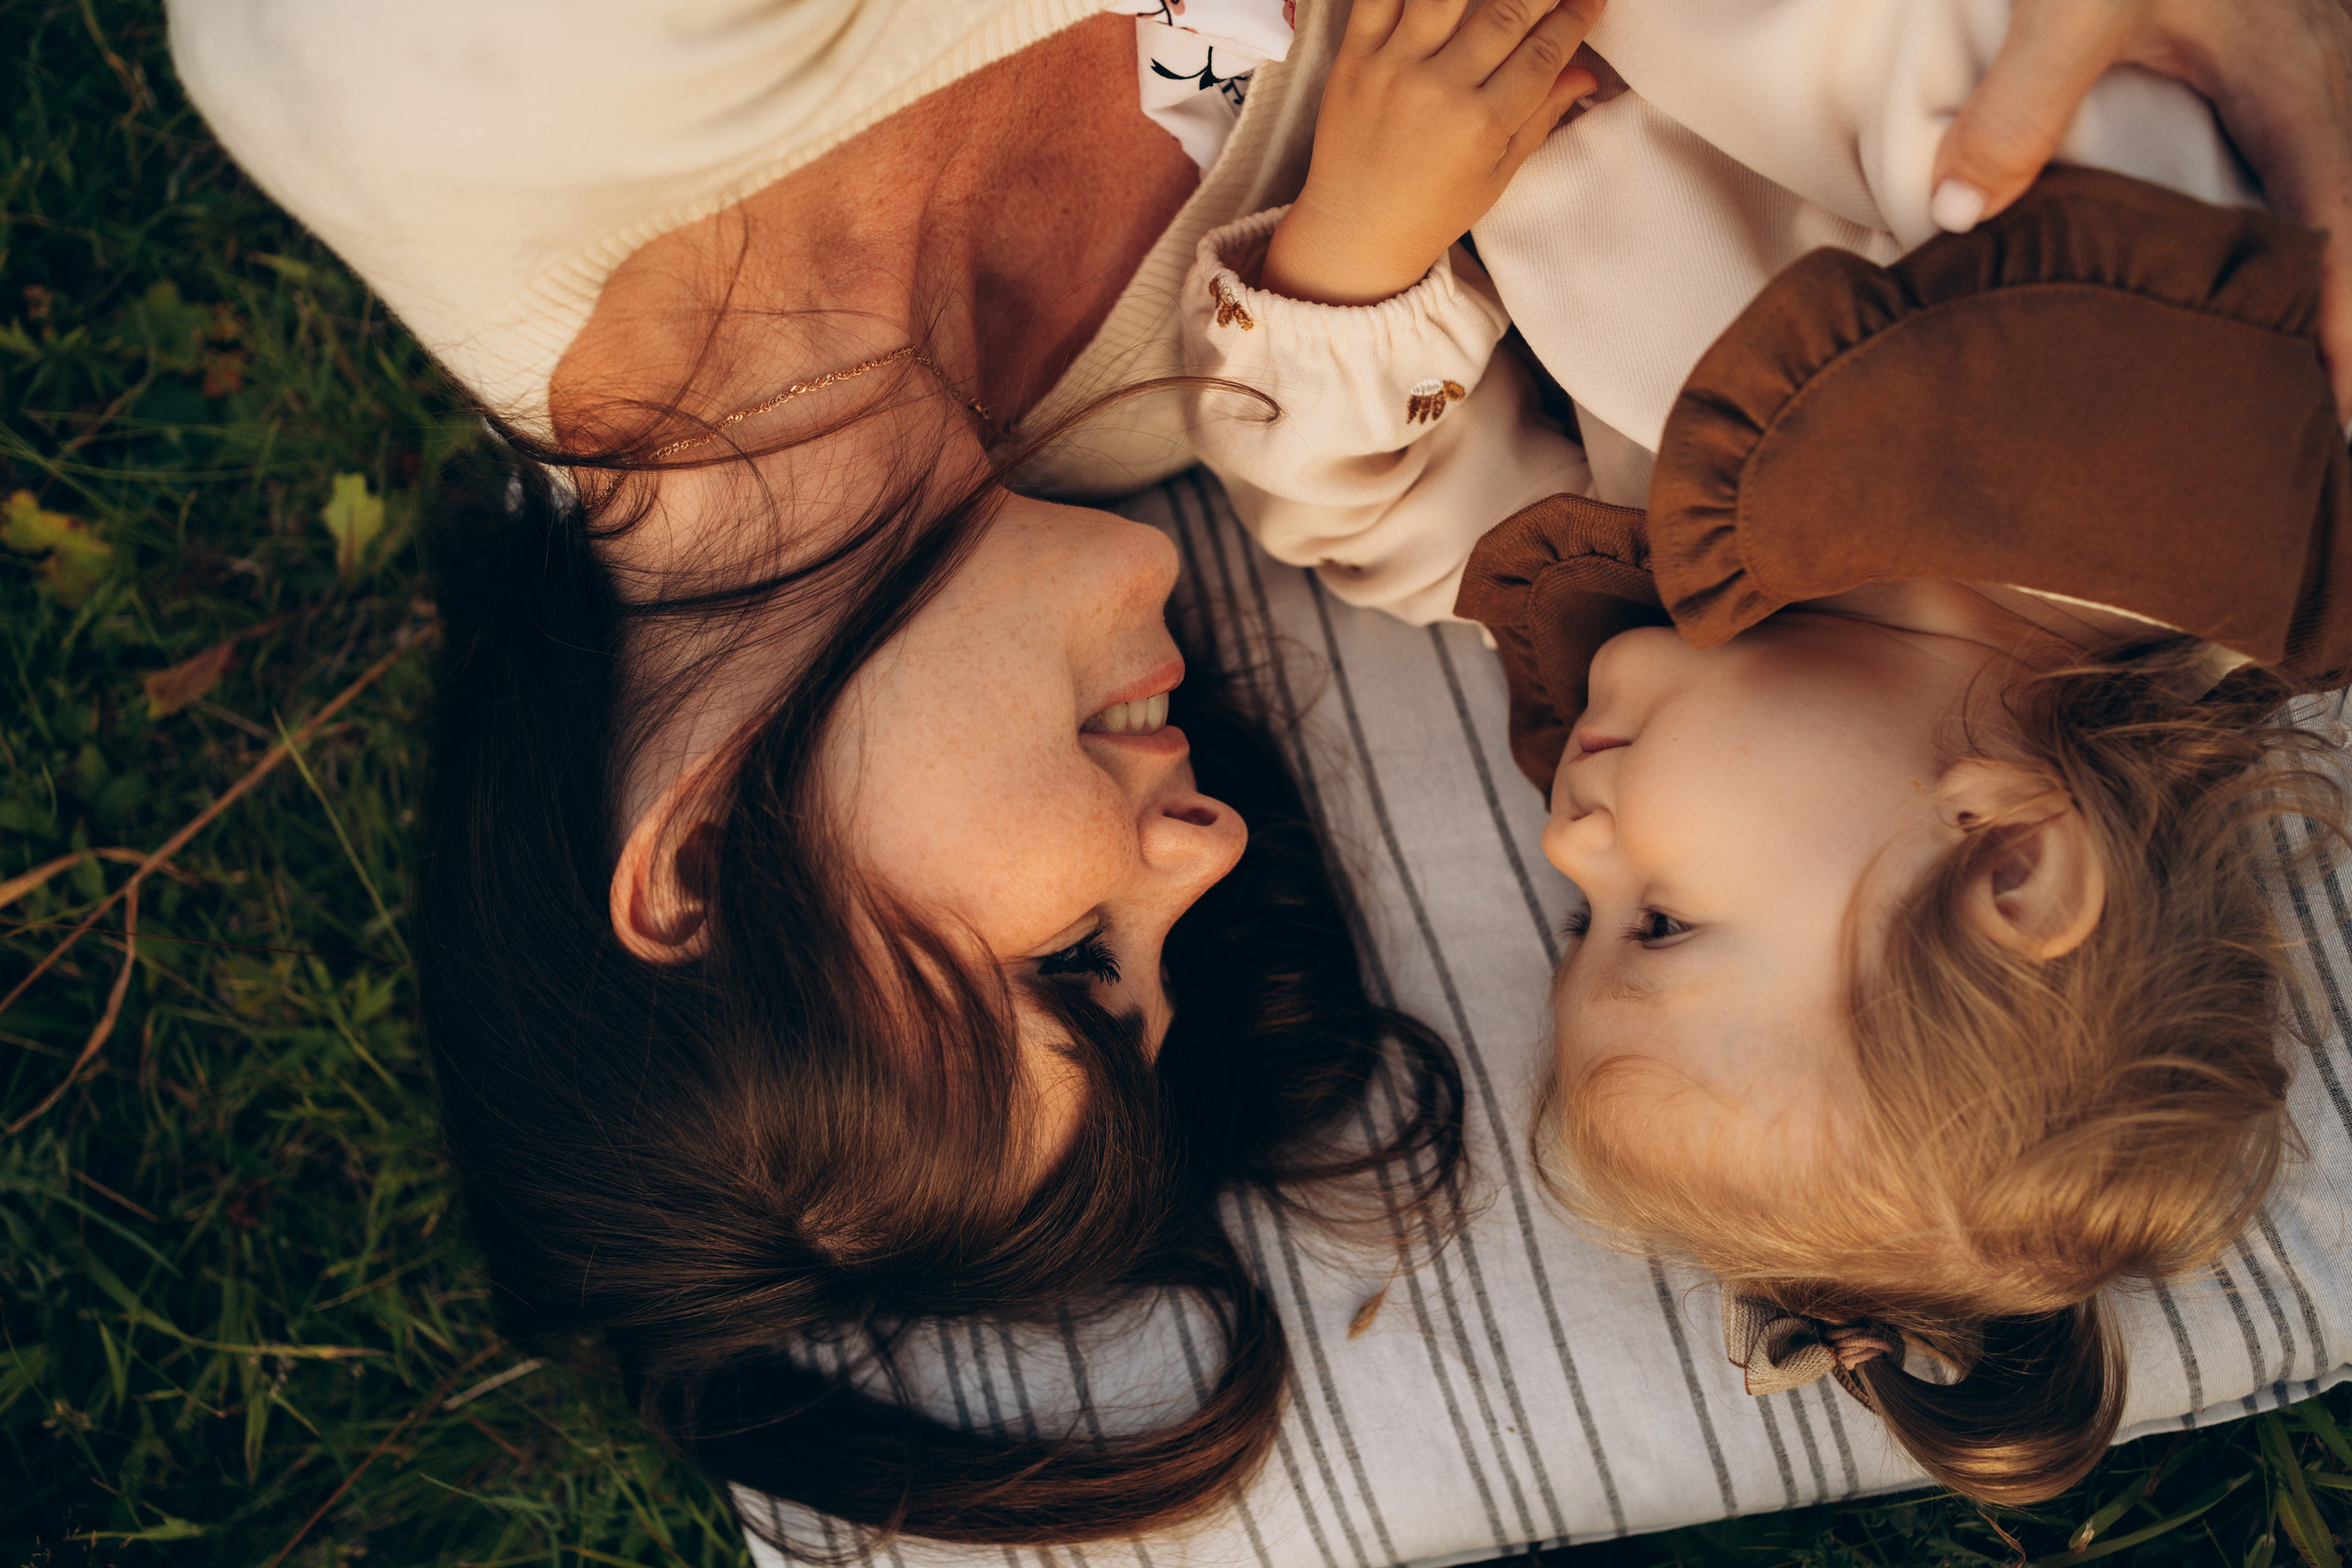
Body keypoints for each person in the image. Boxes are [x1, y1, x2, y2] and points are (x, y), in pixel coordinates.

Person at [166, 0, 2352, 1542]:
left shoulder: (460, 57)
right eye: (1149, 968)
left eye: (1074, 964)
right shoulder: (1146, 409)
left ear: (695, 857)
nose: (1206, 841)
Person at [1179, 0, 2352, 1506]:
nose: (1567, 843)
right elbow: (1930, 47)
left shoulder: (1702, 645)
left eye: (1573, 925)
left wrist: (1357, 254)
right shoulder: (2145, 421)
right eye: (1659, 923)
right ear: (2010, 856)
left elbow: (1369, 522)